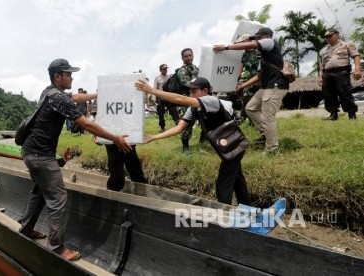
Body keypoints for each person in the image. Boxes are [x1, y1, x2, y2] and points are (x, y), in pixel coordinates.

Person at [19, 58, 131, 261]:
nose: (72, 77)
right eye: (68, 74)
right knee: (58, 197)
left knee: (38, 192)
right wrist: (115, 138)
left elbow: (78, 97)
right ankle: (56, 248)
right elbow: (87, 125)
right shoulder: (59, 98)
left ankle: (26, 229)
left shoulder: (50, 92)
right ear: (57, 77)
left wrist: (100, 93)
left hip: (31, 152)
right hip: (41, 156)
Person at [135, 77, 250, 205]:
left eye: (194, 91)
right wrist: (153, 137)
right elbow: (179, 128)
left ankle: (224, 215)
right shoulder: (194, 108)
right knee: (237, 179)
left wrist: (153, 91)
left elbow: (181, 99)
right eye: (190, 91)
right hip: (226, 148)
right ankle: (247, 207)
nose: (191, 94)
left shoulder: (211, 100)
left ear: (205, 90)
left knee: (223, 185)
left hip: (234, 147)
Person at [213, 27, 289, 155]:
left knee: (267, 118)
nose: (257, 39)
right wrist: (242, 85)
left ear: (266, 36)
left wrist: (226, 47)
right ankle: (266, 134)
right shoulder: (264, 57)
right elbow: (259, 76)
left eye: (258, 37)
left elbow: (253, 44)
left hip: (275, 86)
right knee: (250, 108)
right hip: (266, 86)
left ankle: (272, 149)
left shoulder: (269, 41)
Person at [319, 28, 362, 120]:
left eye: (330, 36)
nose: (328, 39)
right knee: (329, 94)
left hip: (341, 72)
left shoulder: (347, 44)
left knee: (345, 93)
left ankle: (352, 115)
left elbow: (356, 56)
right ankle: (333, 115)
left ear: (337, 35)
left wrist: (357, 69)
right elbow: (322, 65)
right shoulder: (324, 50)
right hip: (327, 73)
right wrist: (321, 77)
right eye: (326, 37)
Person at [176, 48, 199, 153]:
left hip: (198, 99)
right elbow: (188, 84)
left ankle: (204, 139)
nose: (188, 58)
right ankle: (185, 146)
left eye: (190, 55)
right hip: (185, 100)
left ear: (193, 55)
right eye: (186, 56)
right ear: (182, 58)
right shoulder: (181, 71)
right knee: (187, 122)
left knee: (205, 119)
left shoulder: (196, 68)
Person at [154, 64, 180, 133]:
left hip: (169, 96)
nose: (165, 70)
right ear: (160, 70)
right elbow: (154, 89)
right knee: (160, 112)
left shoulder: (170, 77)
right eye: (163, 69)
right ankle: (162, 127)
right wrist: (154, 99)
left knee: (173, 109)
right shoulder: (157, 78)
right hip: (161, 97)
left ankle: (178, 124)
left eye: (166, 68)